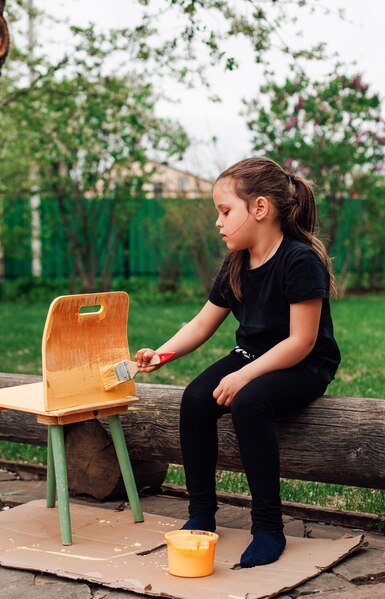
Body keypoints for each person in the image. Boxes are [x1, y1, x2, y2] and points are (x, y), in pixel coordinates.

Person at [135, 157, 341, 568]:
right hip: (251, 357)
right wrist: (163, 352)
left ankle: (267, 527)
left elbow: (301, 341)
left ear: (260, 208)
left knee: (249, 402)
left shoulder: (299, 260)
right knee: (194, 399)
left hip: (303, 364)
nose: (218, 222)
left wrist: (244, 375)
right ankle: (201, 515)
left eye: (225, 211)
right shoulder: (236, 262)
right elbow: (201, 323)